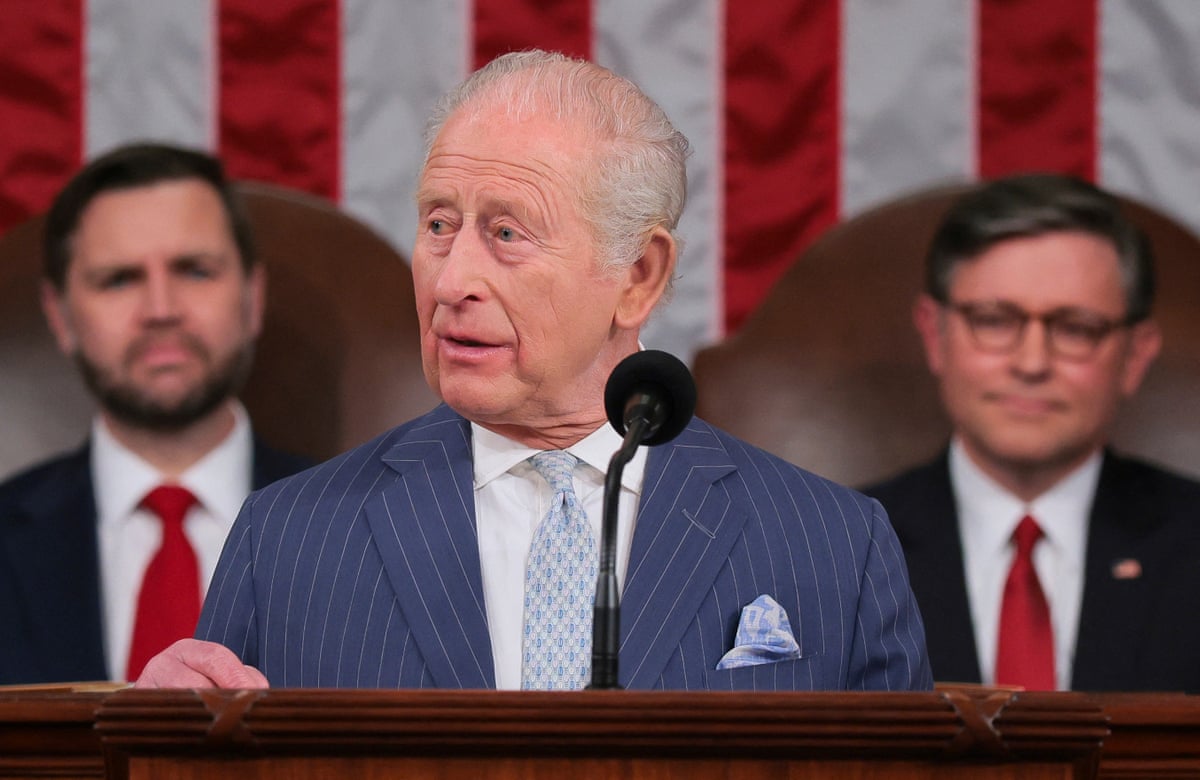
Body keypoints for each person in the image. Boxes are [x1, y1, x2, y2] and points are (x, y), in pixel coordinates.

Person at [137, 50, 930, 692]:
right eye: (439, 225)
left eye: (507, 233)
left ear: (640, 276)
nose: (451, 283)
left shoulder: (833, 545)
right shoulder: (288, 542)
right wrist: (166, 749)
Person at [866, 173, 1200, 692]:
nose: (1032, 362)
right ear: (935, 334)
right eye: (995, 319)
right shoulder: (838, 545)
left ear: (1135, 355)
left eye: (1075, 328)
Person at [0, 143, 310, 684]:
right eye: (119, 279)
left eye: (194, 270)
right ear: (60, 316)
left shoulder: (369, 529)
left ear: (252, 297)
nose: (161, 310)